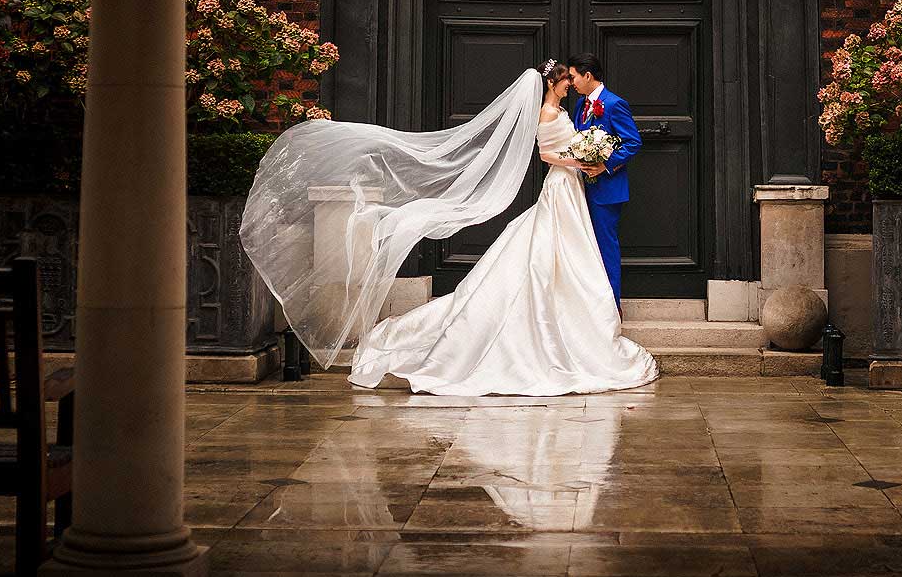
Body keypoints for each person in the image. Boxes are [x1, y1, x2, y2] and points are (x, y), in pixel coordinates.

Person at [238, 60, 658, 395]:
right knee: (551, 249)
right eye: (565, 81)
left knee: (569, 250)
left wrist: (592, 157)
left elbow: (605, 139)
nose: (569, 85)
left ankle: (580, 307)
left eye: (572, 79)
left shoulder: (573, 108)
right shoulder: (550, 111)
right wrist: (580, 160)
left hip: (574, 189)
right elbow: (549, 156)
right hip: (563, 184)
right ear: (554, 84)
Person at [565, 52, 641, 307]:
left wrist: (605, 165)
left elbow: (633, 142)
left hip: (607, 190)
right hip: (579, 188)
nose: (571, 82)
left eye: (574, 77)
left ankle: (612, 307)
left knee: (605, 247)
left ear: (588, 75)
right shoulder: (580, 105)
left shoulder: (614, 104)